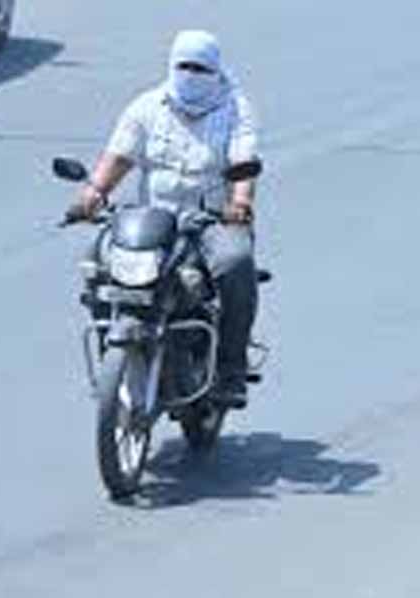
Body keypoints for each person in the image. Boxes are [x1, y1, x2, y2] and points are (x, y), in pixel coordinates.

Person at [68, 29, 260, 409]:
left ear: (216, 71)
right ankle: (113, 343)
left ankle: (231, 369)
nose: (191, 75)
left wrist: (239, 202)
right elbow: (120, 155)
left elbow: (244, 162)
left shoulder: (237, 110)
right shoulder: (147, 106)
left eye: (200, 68)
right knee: (96, 260)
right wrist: (93, 193)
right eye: (184, 66)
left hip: (210, 220)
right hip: (153, 219)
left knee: (235, 262)